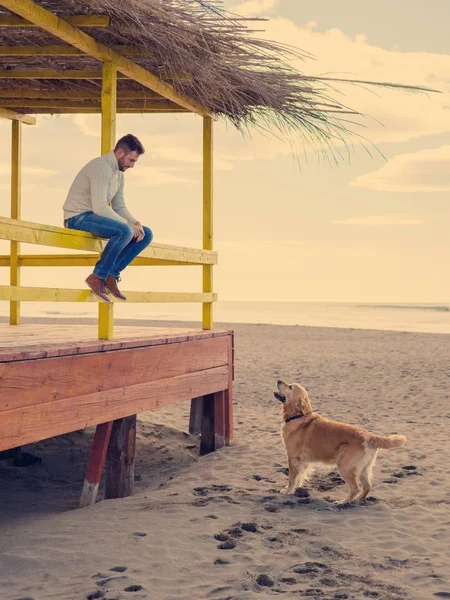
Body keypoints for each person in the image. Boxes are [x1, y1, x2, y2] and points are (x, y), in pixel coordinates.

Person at [63, 134, 153, 302]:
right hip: (77, 218)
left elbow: (119, 206)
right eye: (131, 160)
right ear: (120, 153)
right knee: (124, 230)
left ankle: (111, 275)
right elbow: (100, 207)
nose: (132, 166)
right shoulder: (100, 167)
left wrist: (135, 222)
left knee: (146, 234)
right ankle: (97, 277)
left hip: (95, 218)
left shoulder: (119, 174)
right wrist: (128, 225)